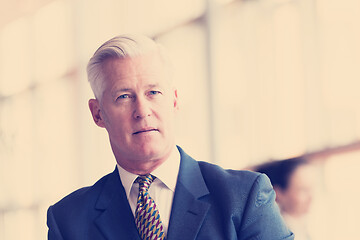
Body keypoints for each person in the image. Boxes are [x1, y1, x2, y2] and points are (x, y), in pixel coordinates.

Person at [46, 34, 294, 240]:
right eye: (123, 96)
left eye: (153, 92)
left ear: (174, 100)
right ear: (98, 113)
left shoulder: (244, 197)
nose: (142, 111)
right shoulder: (68, 220)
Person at [254, 157, 315, 240]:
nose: (311, 197)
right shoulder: (275, 234)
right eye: (303, 190)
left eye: (311, 188)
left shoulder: (306, 225)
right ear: (278, 194)